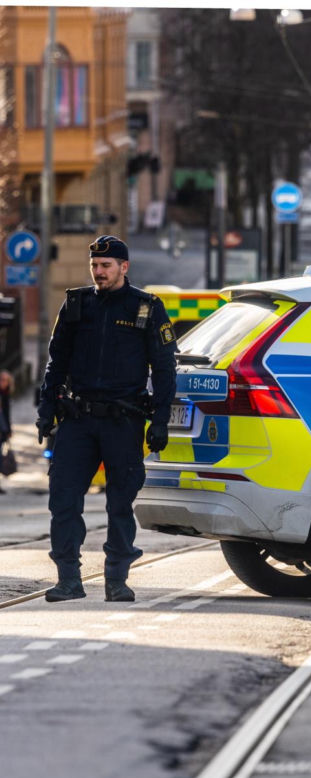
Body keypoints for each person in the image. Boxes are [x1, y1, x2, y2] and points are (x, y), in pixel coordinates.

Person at [36, 235, 177, 603]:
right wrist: (46, 409)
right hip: (77, 420)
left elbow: (164, 369)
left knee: (119, 503)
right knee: (63, 500)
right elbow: (56, 362)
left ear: (123, 267)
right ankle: (69, 579)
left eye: (106, 266)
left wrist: (160, 419)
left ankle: (116, 579)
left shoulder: (146, 308)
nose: (98, 272)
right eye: (94, 266)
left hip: (123, 421)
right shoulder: (77, 304)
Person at [0, 370, 12, 494]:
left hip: (3, 430)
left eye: (6, 380)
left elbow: (7, 414)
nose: (4, 383)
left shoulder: (5, 394)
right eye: (2, 380)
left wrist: (8, 430)